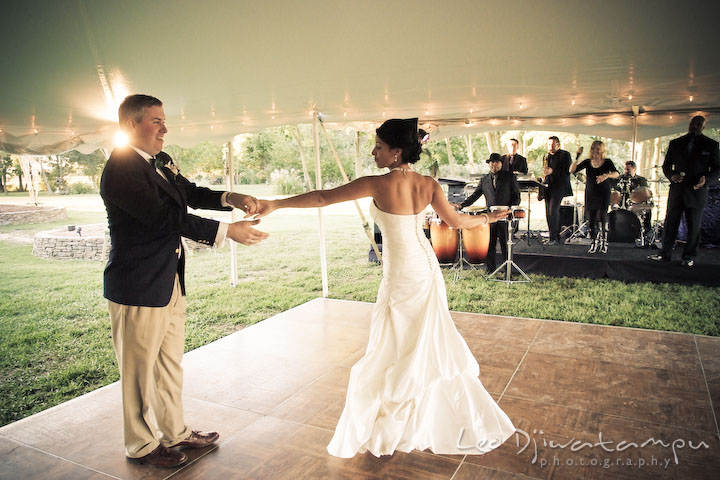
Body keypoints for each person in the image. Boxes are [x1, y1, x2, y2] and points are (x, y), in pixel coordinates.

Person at [256, 118, 515, 458]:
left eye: (378, 146)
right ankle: (415, 420)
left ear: (396, 152)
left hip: (402, 274)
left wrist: (276, 204)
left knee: (397, 346)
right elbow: (457, 222)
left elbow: (322, 198)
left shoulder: (377, 184)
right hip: (426, 270)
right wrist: (490, 218)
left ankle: (401, 423)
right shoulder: (428, 183)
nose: (373, 151)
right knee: (421, 345)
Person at [99, 94, 269, 468]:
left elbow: (189, 195)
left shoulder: (158, 162)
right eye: (156, 121)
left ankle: (174, 432)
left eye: (163, 120)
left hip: (169, 281)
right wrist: (227, 232)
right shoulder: (123, 168)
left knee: (169, 364)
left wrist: (230, 196)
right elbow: (163, 219)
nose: (164, 128)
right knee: (138, 372)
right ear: (131, 124)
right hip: (138, 286)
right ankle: (141, 446)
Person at [649, 115, 720, 267]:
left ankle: (688, 257)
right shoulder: (676, 143)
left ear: (703, 127)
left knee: (694, 226)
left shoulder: (711, 145)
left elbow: (717, 169)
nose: (695, 127)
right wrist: (671, 175)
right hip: (677, 191)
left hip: (697, 191)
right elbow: (666, 166)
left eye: (699, 125)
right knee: (670, 224)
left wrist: (705, 180)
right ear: (689, 124)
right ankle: (665, 254)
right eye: (693, 124)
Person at [452, 153, 521, 272]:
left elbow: (516, 196)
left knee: (506, 244)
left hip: (505, 215)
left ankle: (508, 270)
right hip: (490, 216)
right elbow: (474, 196)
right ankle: (491, 269)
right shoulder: (484, 180)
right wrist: (461, 205)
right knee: (489, 244)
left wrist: (510, 208)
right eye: (492, 162)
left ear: (501, 164)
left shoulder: (509, 177)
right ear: (489, 164)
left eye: (497, 162)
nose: (494, 164)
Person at [570, 141, 619, 253]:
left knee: (601, 216)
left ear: (602, 150)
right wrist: (577, 156)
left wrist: (606, 175)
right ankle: (594, 241)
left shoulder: (607, 162)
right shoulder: (587, 162)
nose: (595, 151)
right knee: (591, 219)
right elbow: (571, 170)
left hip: (603, 192)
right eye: (593, 149)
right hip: (591, 193)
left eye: (598, 149)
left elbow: (616, 173)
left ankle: (603, 241)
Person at [541, 136, 573, 245]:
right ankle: (552, 236)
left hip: (559, 186)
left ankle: (555, 237)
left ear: (558, 144)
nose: (550, 147)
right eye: (549, 144)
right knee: (548, 213)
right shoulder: (546, 156)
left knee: (553, 211)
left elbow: (567, 172)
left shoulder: (565, 155)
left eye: (553, 144)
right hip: (548, 186)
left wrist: (552, 171)